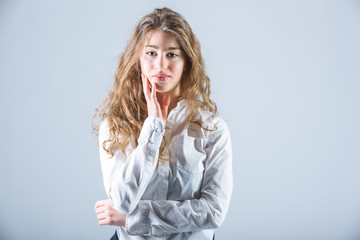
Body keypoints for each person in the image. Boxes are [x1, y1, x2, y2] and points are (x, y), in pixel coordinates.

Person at [93, 7, 233, 240]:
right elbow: (122, 200)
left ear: (186, 62)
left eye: (172, 54)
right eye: (151, 53)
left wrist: (133, 219)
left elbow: (213, 212)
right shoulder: (115, 125)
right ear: (138, 59)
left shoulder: (212, 129)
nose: (160, 65)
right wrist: (153, 128)